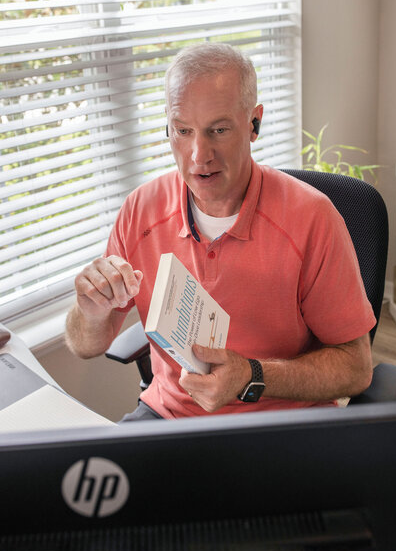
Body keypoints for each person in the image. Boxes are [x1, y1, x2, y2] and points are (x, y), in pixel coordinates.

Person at [65, 42, 375, 420]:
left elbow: (356, 367)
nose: (199, 155)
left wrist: (252, 375)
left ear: (253, 123)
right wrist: (91, 312)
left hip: (278, 421)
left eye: (219, 130)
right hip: (170, 414)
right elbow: (85, 345)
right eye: (182, 130)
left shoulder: (313, 219)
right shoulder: (140, 209)